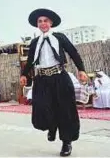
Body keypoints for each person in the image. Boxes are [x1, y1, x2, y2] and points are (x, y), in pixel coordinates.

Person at [20, 8, 88, 157]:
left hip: (59, 77)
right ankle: (52, 127)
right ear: (37, 24)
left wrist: (81, 70)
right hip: (42, 80)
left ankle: (66, 142)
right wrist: (24, 75)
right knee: (43, 107)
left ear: (51, 23)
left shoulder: (59, 37)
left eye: (45, 21)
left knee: (65, 110)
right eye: (40, 21)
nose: (43, 23)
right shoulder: (35, 42)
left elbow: (73, 52)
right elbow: (30, 61)